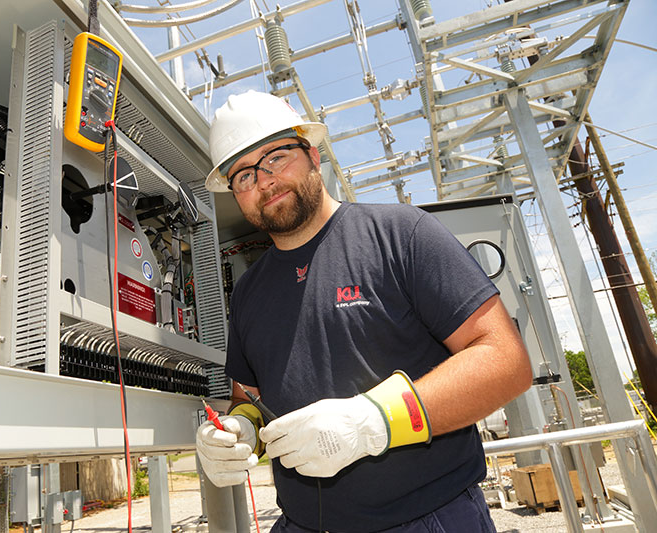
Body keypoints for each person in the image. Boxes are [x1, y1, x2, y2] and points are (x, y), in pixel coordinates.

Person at [196, 90, 532, 532]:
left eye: (276, 157)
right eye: (243, 175)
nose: (264, 181)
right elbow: (252, 398)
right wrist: (237, 432)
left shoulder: (400, 234)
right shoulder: (247, 294)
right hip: (304, 522)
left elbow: (505, 361)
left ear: (313, 154)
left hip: (429, 516)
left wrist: (374, 421)